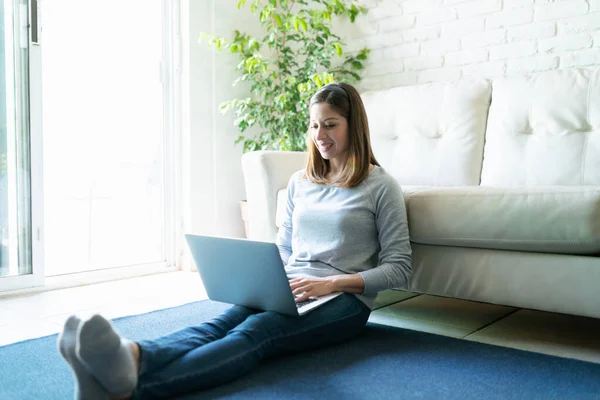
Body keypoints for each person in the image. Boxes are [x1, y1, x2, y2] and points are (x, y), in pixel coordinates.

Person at [57, 82, 412, 399]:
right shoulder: (300, 182)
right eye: (314, 125)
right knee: (219, 324)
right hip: (292, 287)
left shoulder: (380, 186)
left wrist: (330, 283)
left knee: (256, 332)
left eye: (330, 124)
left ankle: (133, 390)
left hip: (345, 301)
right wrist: (276, 280)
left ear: (355, 127)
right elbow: (286, 246)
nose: (320, 135)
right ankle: (131, 356)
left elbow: (399, 268)